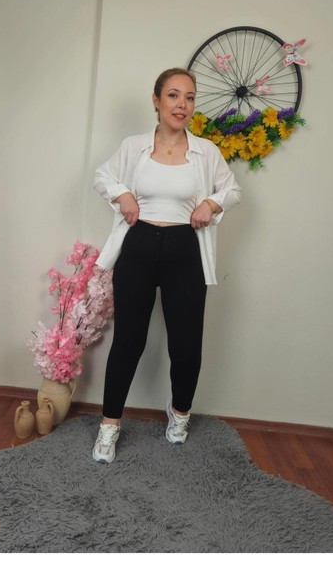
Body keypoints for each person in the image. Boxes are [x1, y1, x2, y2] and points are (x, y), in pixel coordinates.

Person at [92, 67, 241, 463]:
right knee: (129, 341)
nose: (182, 105)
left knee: (186, 343)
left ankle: (180, 413)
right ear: (156, 100)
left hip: (184, 250)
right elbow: (102, 176)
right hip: (139, 247)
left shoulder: (205, 151)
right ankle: (109, 425)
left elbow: (232, 190)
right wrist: (122, 194)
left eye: (189, 97)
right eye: (174, 95)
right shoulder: (134, 146)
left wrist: (211, 203)